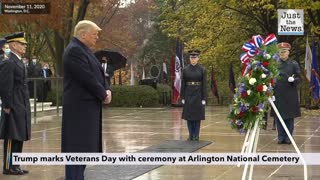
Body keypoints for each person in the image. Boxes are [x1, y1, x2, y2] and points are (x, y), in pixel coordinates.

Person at [62, 20, 112, 180]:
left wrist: (107, 88)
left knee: (82, 152)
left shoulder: (84, 50)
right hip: (79, 112)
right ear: (83, 34)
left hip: (87, 110)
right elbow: (87, 78)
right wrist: (103, 95)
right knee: (76, 152)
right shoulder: (74, 51)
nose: (97, 37)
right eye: (94, 34)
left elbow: (101, 74)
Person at [0, 32, 31, 175]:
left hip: (21, 103)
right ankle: (8, 166)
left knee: (19, 135)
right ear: (13, 45)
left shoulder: (18, 61)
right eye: (21, 43)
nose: (24, 46)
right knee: (12, 136)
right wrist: (6, 105)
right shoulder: (9, 62)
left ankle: (16, 165)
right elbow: (6, 86)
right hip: (12, 104)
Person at [271, 42, 301, 144]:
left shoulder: (293, 64)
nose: (282, 53)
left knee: (289, 117)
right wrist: (271, 92)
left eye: (284, 51)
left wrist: (294, 80)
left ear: (288, 52)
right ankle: (280, 137)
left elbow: (299, 78)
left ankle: (288, 137)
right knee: (278, 117)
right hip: (278, 94)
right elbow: (270, 78)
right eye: (280, 52)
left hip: (290, 94)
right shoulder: (274, 65)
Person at [180, 49, 207, 141]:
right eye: (191, 57)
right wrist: (182, 96)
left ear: (198, 58)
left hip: (198, 94)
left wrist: (204, 97)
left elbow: (204, 84)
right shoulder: (185, 69)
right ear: (189, 59)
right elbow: (183, 84)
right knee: (189, 116)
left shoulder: (202, 69)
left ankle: (196, 135)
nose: (193, 59)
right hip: (188, 94)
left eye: (195, 57)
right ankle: (191, 134)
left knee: (197, 117)